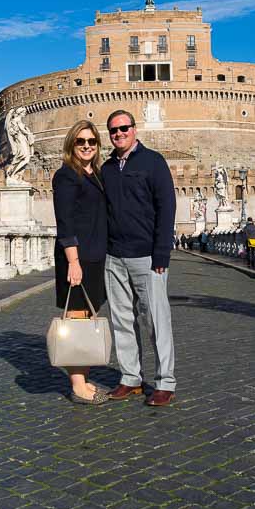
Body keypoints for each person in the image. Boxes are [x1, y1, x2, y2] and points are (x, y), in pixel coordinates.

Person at [101, 110, 178, 407]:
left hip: (147, 257)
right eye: (113, 130)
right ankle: (130, 378)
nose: (119, 134)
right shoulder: (107, 168)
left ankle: (165, 382)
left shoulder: (153, 162)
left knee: (156, 321)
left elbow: (166, 207)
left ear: (134, 129)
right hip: (114, 257)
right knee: (121, 321)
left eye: (123, 128)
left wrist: (162, 252)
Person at [51, 120, 110, 405]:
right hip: (76, 257)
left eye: (92, 141)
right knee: (76, 319)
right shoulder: (66, 176)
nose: (87, 146)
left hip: (95, 257)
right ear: (71, 145)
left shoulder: (96, 174)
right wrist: (73, 261)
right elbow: (65, 222)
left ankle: (83, 378)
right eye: (80, 141)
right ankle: (77, 385)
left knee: (88, 317)